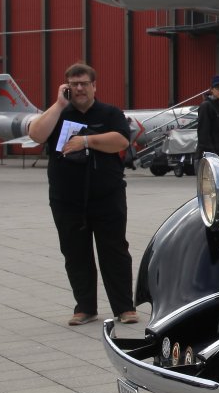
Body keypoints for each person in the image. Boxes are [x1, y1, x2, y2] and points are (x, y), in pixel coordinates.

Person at [25, 63, 137, 326]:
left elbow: (121, 140)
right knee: (75, 253)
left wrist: (86, 141)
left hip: (107, 196)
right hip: (67, 199)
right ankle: (85, 308)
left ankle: (124, 308)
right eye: (73, 84)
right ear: (66, 87)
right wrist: (58, 105)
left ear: (94, 86)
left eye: (84, 83)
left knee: (115, 251)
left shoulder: (110, 113)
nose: (79, 89)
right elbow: (36, 134)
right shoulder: (59, 114)